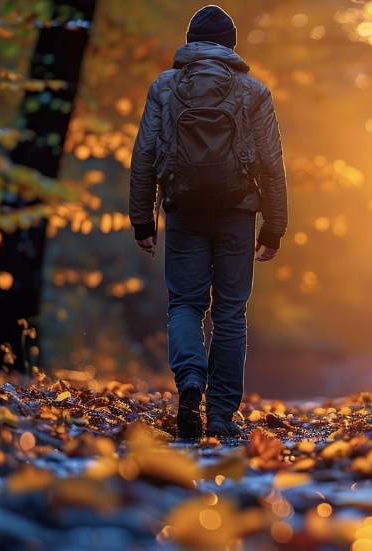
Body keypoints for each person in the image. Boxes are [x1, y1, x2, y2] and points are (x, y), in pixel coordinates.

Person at [128, 5, 288, 440]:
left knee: (185, 304)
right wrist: (274, 226)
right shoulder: (253, 90)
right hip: (238, 212)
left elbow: (143, 154)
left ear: (190, 41)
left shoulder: (164, 86)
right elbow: (272, 163)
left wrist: (142, 219)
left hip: (183, 211)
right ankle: (220, 415)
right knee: (231, 313)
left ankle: (191, 381)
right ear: (231, 46)